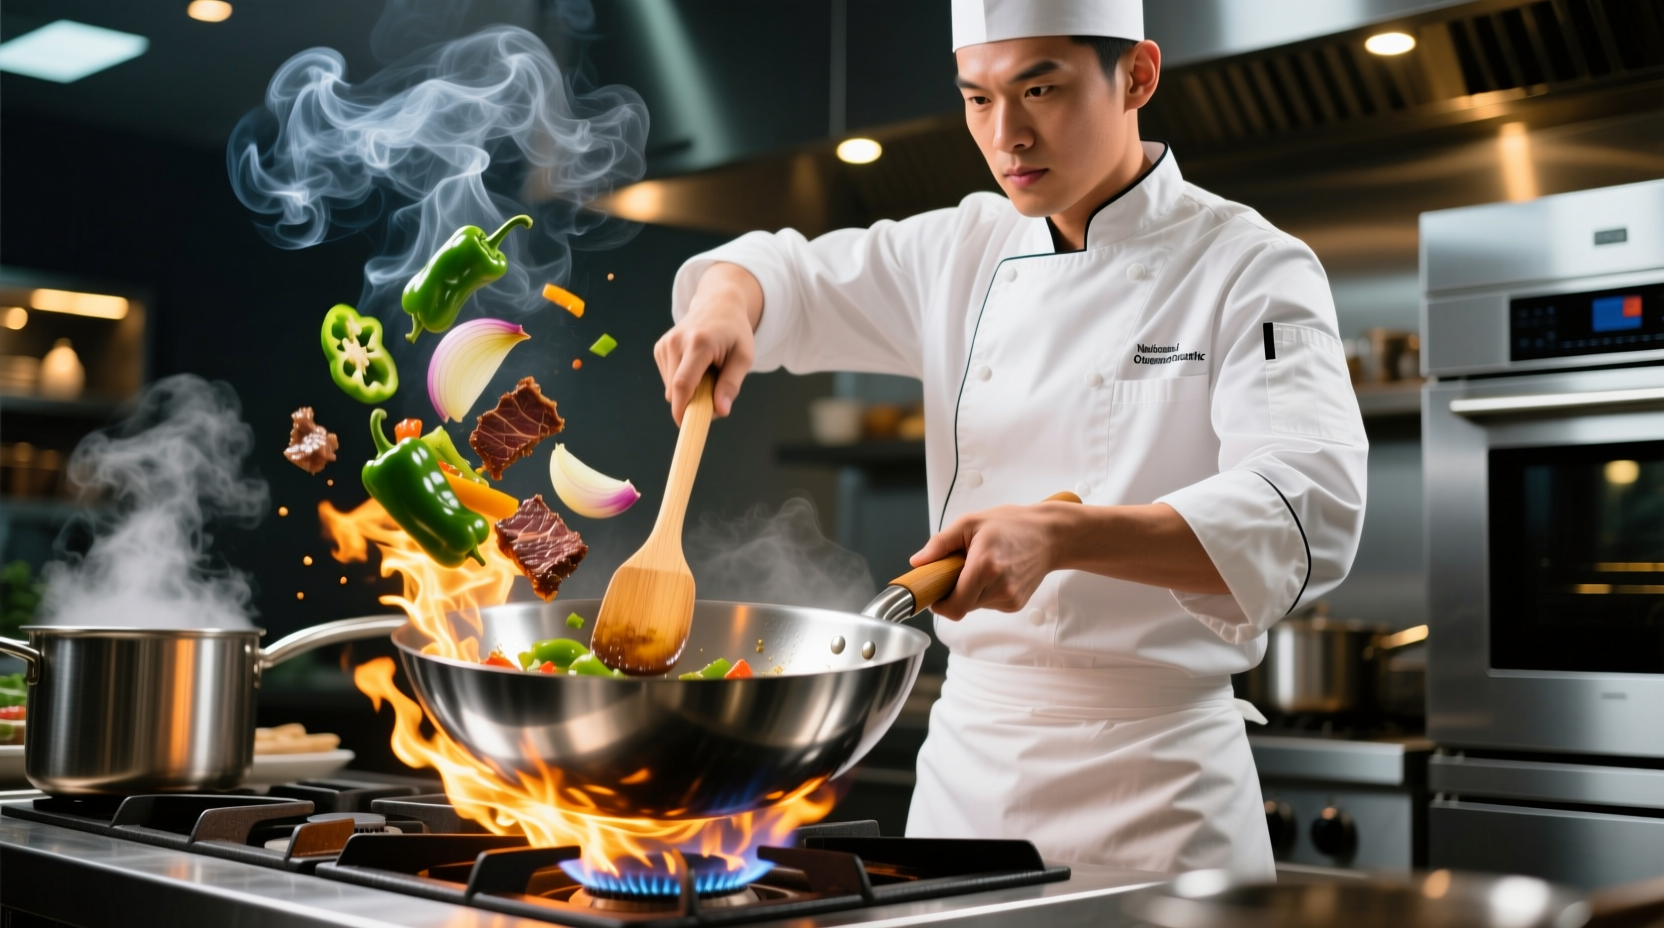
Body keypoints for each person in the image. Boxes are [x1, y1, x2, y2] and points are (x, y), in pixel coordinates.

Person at [653, 0, 1366, 876]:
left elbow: (1305, 510)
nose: (1007, 136)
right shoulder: (961, 249)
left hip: (1162, 791)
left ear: (1137, 76)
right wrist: (726, 305)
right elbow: (783, 272)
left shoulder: (1248, 264)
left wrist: (1065, 537)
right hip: (969, 780)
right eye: (978, 99)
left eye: (1040, 89)